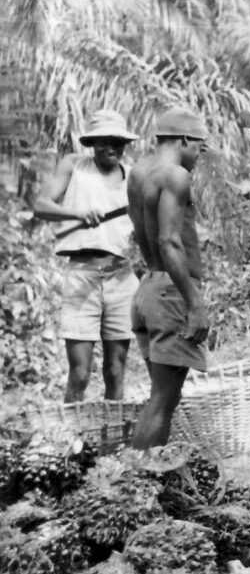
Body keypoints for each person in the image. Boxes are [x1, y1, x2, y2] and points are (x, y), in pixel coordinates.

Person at [34, 110, 140, 403]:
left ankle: (113, 441)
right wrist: (76, 213)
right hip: (83, 275)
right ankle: (74, 441)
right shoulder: (75, 166)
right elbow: (41, 205)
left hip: (121, 278)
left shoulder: (133, 177)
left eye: (117, 142)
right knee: (80, 372)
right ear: (92, 143)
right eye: (104, 141)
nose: (111, 148)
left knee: (116, 370)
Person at [127, 106, 211, 450]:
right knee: (163, 401)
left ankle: (140, 483)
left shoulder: (137, 173)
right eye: (199, 149)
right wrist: (195, 303)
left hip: (148, 288)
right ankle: (133, 485)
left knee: (159, 398)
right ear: (186, 139)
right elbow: (168, 241)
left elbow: (140, 234)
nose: (198, 158)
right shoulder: (175, 175)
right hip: (170, 291)